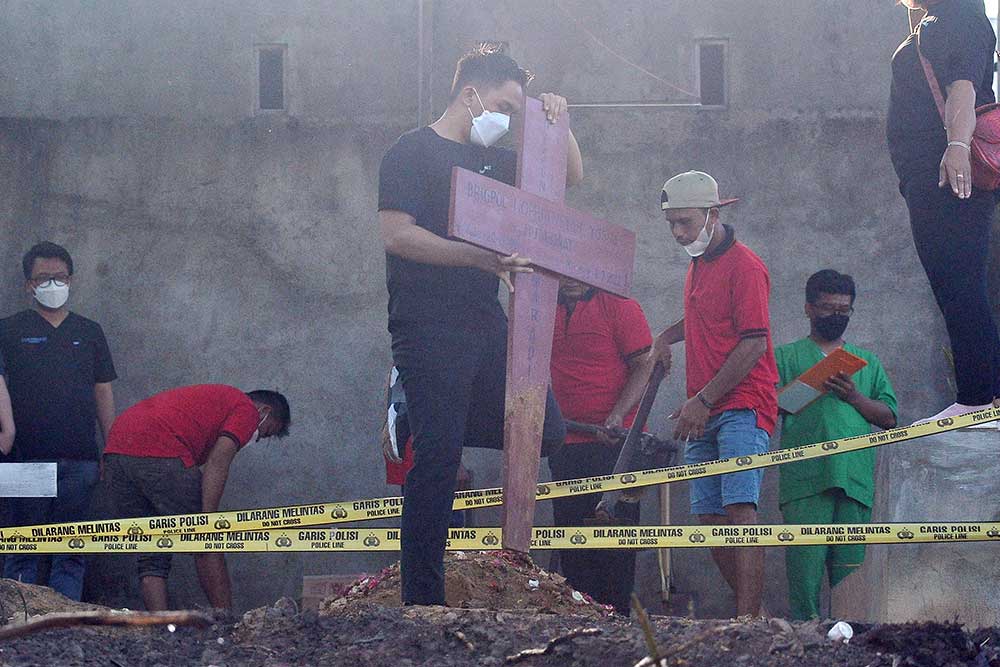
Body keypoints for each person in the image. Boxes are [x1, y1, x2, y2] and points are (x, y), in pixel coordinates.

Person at [378, 42, 580, 606]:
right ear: (470, 94)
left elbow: (570, 175)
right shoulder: (410, 152)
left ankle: (417, 412)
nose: (509, 121)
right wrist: (479, 257)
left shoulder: (492, 162)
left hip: (483, 320)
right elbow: (397, 235)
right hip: (425, 325)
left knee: (546, 430)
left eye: (516, 113)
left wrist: (555, 118)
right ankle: (423, 600)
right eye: (505, 108)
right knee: (439, 461)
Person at [648, 171, 777, 617]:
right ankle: (750, 614)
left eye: (684, 222)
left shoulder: (746, 266)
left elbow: (754, 341)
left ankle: (747, 618)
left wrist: (701, 401)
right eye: (672, 224)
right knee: (708, 515)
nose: (678, 232)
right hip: (703, 407)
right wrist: (666, 335)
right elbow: (705, 319)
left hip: (742, 405)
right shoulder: (697, 266)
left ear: (712, 214)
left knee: (740, 508)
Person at [887, 0, 999, 423]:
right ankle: (986, 396)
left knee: (959, 285)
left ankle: (976, 397)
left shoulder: (959, 18)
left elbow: (963, 88)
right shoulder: (938, 20)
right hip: (931, 178)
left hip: (949, 176)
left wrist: (956, 148)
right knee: (957, 285)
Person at [101, 384, 290, 611]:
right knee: (208, 541)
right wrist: (208, 520)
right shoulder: (246, 409)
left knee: (151, 546)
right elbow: (217, 462)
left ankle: (160, 627)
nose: (257, 438)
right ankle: (226, 623)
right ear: (265, 411)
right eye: (265, 432)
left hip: (115, 453)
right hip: (158, 449)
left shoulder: (216, 401)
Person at [775, 270, 898, 620]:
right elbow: (768, 406)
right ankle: (806, 639)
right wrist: (808, 387)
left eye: (844, 310)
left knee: (851, 576)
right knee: (804, 570)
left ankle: (851, 640)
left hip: (854, 479)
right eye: (828, 308)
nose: (836, 316)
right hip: (805, 480)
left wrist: (855, 396)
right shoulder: (785, 357)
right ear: (808, 309)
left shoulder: (867, 362)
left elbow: (889, 417)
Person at [0, 242, 117, 601]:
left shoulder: (90, 331)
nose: (53, 284)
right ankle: (19, 624)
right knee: (23, 547)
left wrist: (110, 448)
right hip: (24, 460)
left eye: (59, 277)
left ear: (72, 280)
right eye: (44, 278)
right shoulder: (8, 330)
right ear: (28, 285)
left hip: (79, 461)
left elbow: (103, 391)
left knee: (71, 550)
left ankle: (64, 623)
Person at [548, 277, 653, 614]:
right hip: (565, 444)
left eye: (575, 274)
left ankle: (617, 626)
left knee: (614, 549)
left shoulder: (619, 305)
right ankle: (584, 625)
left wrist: (618, 415)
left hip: (617, 449)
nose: (568, 282)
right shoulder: (542, 307)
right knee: (573, 549)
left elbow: (645, 364)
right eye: (560, 274)